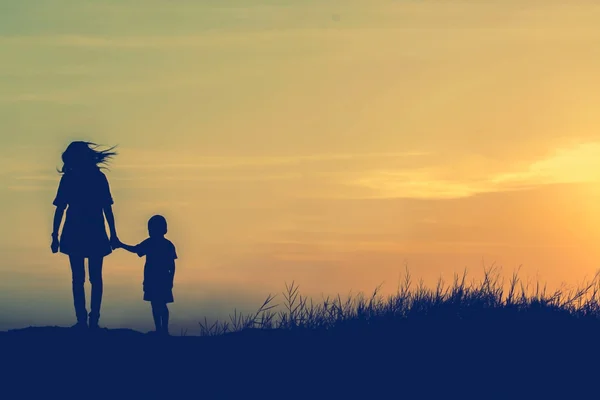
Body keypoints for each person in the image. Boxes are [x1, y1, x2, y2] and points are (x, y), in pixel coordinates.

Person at [51, 141, 120, 330]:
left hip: (84, 231)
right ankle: (87, 320)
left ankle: (88, 320)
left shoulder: (84, 178)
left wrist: (55, 235)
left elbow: (106, 208)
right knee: (89, 278)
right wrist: (54, 235)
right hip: (87, 230)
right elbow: (61, 208)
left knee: (83, 278)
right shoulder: (90, 178)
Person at [115, 215, 177, 336]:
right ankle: (162, 330)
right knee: (159, 304)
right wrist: (170, 280)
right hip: (158, 279)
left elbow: (136, 250)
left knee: (157, 304)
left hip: (156, 279)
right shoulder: (166, 244)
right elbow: (172, 265)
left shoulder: (155, 243)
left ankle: (162, 329)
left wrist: (121, 245)